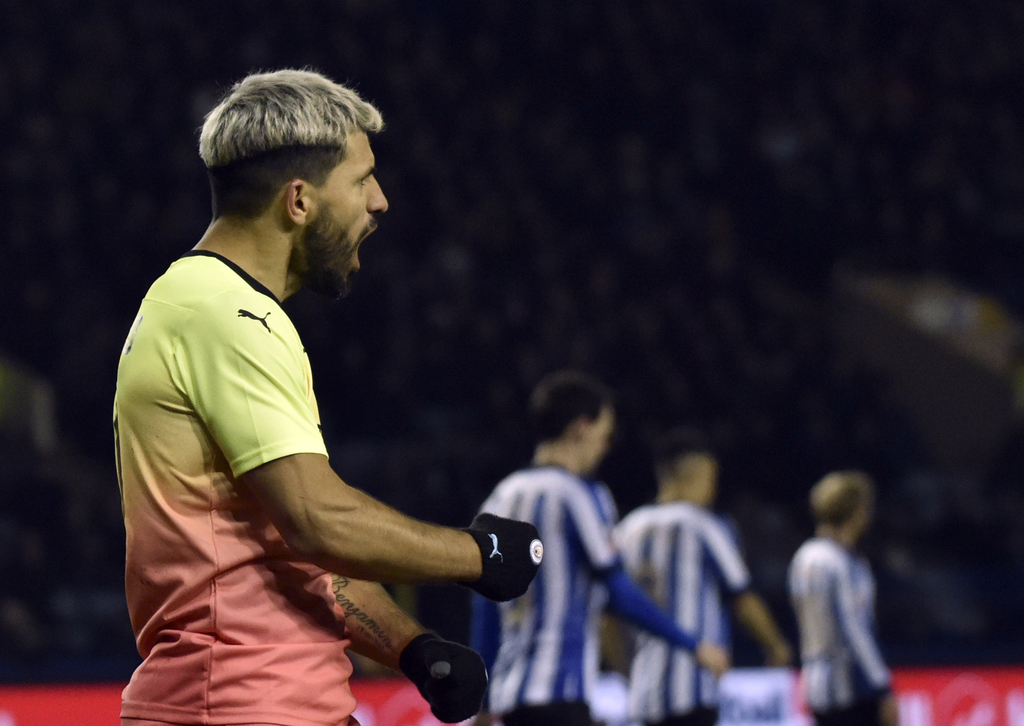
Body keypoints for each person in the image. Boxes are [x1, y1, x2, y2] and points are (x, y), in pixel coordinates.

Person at [113, 69, 543, 726]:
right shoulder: (226, 318)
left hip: (262, 702)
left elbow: (288, 545)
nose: (382, 201)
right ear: (299, 201)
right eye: (363, 179)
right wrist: (478, 557)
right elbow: (320, 520)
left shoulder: (205, 305)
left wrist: (412, 647)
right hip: (237, 705)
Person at [470, 372, 729, 726]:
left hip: (511, 698)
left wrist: (481, 702)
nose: (603, 448)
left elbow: (485, 606)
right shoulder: (580, 495)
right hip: (562, 692)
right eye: (604, 436)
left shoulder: (499, 499)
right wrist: (692, 645)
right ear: (582, 428)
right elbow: (618, 591)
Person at [614, 427, 793, 726]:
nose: (713, 490)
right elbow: (742, 596)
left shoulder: (626, 531)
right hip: (694, 689)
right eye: (711, 479)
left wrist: (625, 670)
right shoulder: (703, 525)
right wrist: (775, 644)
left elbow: (607, 616)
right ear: (693, 475)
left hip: (643, 694)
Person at [788, 471, 899, 726]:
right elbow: (853, 626)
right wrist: (881, 686)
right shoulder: (842, 561)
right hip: (851, 688)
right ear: (857, 512)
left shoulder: (803, 557)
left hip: (816, 683)